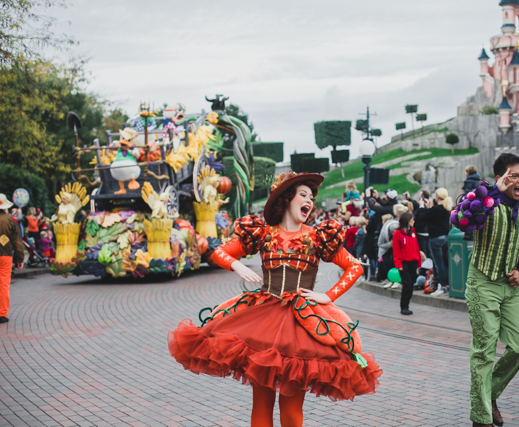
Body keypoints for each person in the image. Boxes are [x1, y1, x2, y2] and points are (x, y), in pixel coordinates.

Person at [168, 172, 382, 427]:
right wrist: (237, 265)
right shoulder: (263, 233)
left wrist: (327, 295)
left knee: (291, 410)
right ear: (286, 198)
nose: (309, 201)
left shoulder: (316, 237)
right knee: (261, 403)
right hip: (262, 319)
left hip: (302, 325)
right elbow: (218, 252)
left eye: (312, 197)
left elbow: (354, 267)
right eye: (303, 195)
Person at [451, 153, 519, 427]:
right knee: (484, 350)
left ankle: (489, 393)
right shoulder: (485, 204)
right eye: (513, 175)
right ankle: (480, 417)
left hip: (510, 287)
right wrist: (491, 193)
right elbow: (461, 221)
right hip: (482, 283)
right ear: (499, 178)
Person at [0, 194, 24, 324]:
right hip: (6, 256)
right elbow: (17, 242)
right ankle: (3, 314)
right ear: (5, 207)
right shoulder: (11, 220)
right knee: (4, 285)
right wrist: (19, 259)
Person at [416, 188, 452, 295]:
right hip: (445, 237)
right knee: (445, 263)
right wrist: (430, 207)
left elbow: (423, 218)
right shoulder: (445, 208)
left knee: (438, 264)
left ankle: (442, 286)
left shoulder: (436, 209)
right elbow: (432, 215)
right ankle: (448, 285)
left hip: (435, 238)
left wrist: (422, 206)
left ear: (437, 197)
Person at [392, 212, 421, 315]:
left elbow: (417, 248)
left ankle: (407, 305)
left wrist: (419, 262)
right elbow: (396, 250)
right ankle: (404, 306)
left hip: (413, 262)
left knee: (411, 284)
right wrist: (398, 264)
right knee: (407, 284)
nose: (413, 221)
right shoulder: (398, 234)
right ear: (406, 221)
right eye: (411, 220)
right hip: (404, 263)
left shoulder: (413, 232)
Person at [377, 205, 408, 285]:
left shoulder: (396, 223)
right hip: (396, 246)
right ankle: (393, 279)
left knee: (394, 262)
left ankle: (396, 280)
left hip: (398, 246)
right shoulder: (398, 221)